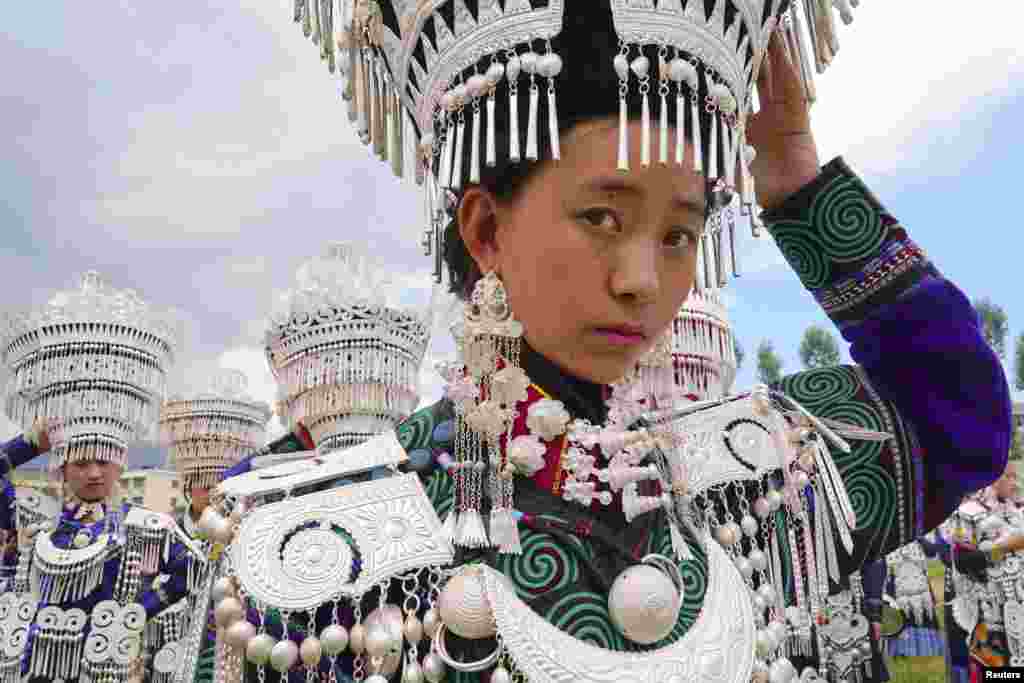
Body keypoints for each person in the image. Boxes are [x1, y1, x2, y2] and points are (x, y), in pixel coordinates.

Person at [210, 1, 1011, 681]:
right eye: (602, 217)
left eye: (678, 233)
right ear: (486, 229)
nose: (643, 280)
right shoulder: (315, 561)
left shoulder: (748, 482)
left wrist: (797, 179)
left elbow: (962, 416)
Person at [947, 463, 1024, 679]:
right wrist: (1007, 547)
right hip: (990, 618)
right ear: (993, 477)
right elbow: (963, 562)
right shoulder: (967, 512)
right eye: (1010, 477)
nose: (1015, 483)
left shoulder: (1016, 511)